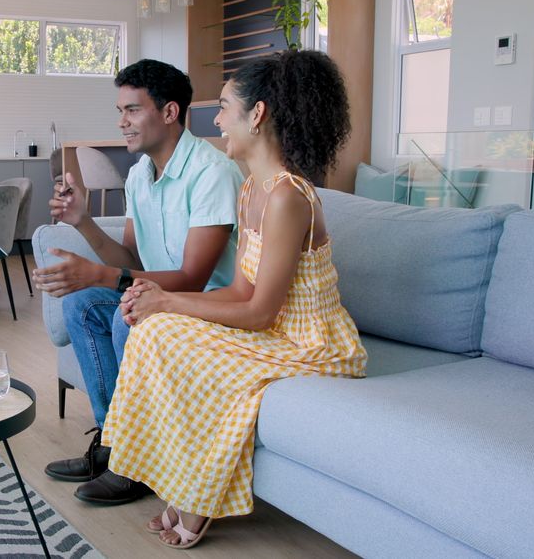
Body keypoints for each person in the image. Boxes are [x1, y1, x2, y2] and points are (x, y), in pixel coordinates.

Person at [102, 50, 368, 549]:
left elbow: (260, 311)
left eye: (224, 107)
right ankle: (173, 480)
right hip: (271, 328)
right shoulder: (252, 191)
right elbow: (241, 290)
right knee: (153, 329)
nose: (217, 119)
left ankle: (197, 497)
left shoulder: (291, 196)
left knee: (167, 326)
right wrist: (158, 300)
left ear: (258, 114)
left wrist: (171, 302)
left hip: (312, 344)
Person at [32, 59, 245, 505]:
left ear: (169, 113)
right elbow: (130, 259)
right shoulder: (139, 176)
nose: (122, 122)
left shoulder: (213, 173)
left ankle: (137, 462)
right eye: (120, 110)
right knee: (82, 304)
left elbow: (191, 279)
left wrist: (100, 274)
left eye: (131, 110)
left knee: (127, 316)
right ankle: (114, 445)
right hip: (161, 301)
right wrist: (83, 222)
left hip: (207, 311)